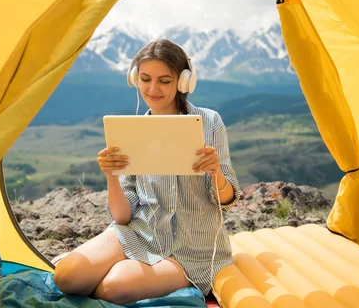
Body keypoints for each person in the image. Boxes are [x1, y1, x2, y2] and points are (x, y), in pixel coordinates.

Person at [53, 39, 241, 305]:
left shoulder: (210, 122)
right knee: (67, 276)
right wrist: (112, 177)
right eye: (145, 79)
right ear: (135, 79)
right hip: (140, 231)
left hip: (191, 249)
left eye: (164, 81)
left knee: (113, 288)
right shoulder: (131, 131)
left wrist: (216, 172)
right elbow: (122, 216)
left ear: (184, 82)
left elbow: (227, 200)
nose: (153, 89)